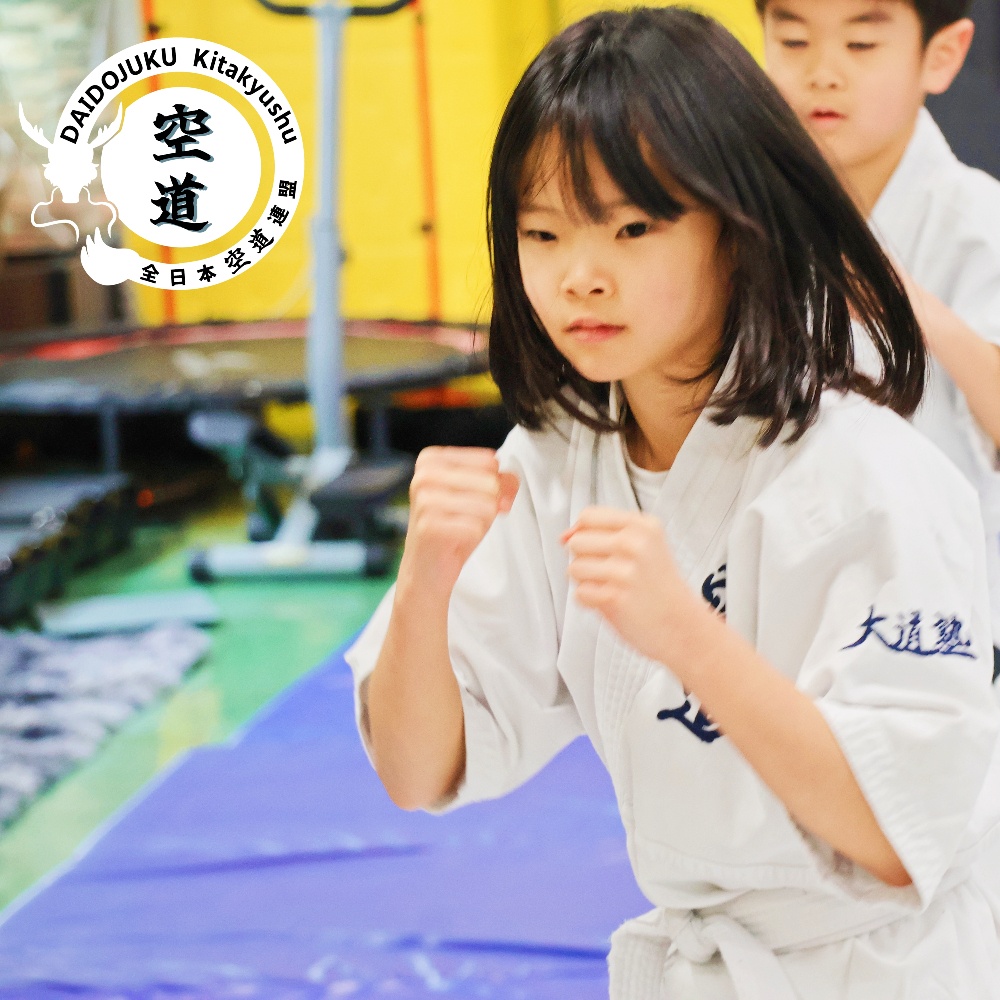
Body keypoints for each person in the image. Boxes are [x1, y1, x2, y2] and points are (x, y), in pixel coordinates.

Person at [346, 8, 1000, 998]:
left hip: (888, 969)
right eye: (542, 233)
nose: (580, 276)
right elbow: (416, 770)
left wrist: (687, 635)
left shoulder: (875, 475)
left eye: (631, 229)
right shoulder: (554, 459)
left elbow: (893, 837)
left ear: (737, 231)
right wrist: (424, 583)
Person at [759, 0, 1000, 677]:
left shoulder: (980, 220)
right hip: (786, 607)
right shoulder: (747, 216)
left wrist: (910, 305)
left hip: (946, 620)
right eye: (794, 40)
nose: (823, 73)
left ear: (941, 56)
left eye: (861, 45)